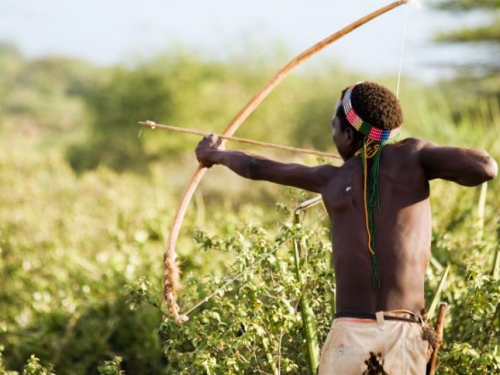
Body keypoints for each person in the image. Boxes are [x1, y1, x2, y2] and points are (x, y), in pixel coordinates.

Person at [195, 81, 498, 374]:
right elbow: (485, 167)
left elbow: (256, 167)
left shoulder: (333, 179)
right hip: (399, 338)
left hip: (348, 339)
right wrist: (418, 155)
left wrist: (215, 154)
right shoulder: (412, 156)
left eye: (334, 128)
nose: (333, 136)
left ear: (350, 137)